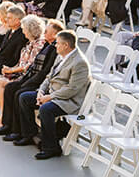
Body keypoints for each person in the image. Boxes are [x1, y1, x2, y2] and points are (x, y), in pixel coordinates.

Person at [11, 30, 91, 159]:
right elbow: (49, 77)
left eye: (58, 43)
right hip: (52, 94)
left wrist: (50, 97)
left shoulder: (79, 63)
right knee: (24, 97)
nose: (55, 46)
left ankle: (51, 147)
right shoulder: (61, 56)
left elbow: (72, 89)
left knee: (46, 109)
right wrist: (41, 92)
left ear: (66, 45)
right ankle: (29, 134)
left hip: (70, 101)